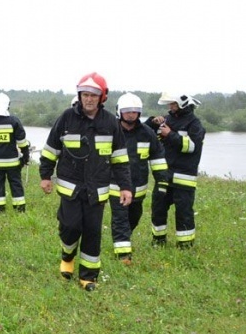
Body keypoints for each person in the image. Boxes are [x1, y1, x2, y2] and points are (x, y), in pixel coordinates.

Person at [39, 72, 132, 291]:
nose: (88, 99)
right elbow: (51, 149)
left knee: (92, 232)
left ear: (102, 98)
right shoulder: (66, 118)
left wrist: (125, 187)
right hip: (70, 188)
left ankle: (88, 277)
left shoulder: (110, 122)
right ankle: (67, 255)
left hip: (97, 190)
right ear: (79, 96)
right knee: (70, 227)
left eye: (93, 95)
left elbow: (120, 158)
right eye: (85, 95)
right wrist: (45, 175)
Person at [109, 93, 168, 263]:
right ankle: (123, 256)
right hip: (116, 186)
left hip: (139, 187)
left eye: (134, 111)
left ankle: (124, 239)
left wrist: (162, 181)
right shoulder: (111, 131)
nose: (131, 114)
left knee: (134, 217)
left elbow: (157, 158)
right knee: (120, 218)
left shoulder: (147, 133)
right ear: (119, 111)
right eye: (127, 111)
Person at [145, 93, 205, 248]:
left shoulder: (195, 124)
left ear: (183, 104)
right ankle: (158, 242)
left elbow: (192, 147)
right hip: (164, 176)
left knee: (184, 213)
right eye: (169, 104)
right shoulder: (167, 119)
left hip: (184, 177)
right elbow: (145, 132)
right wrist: (153, 121)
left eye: (173, 104)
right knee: (158, 208)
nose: (170, 107)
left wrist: (170, 134)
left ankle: (185, 246)